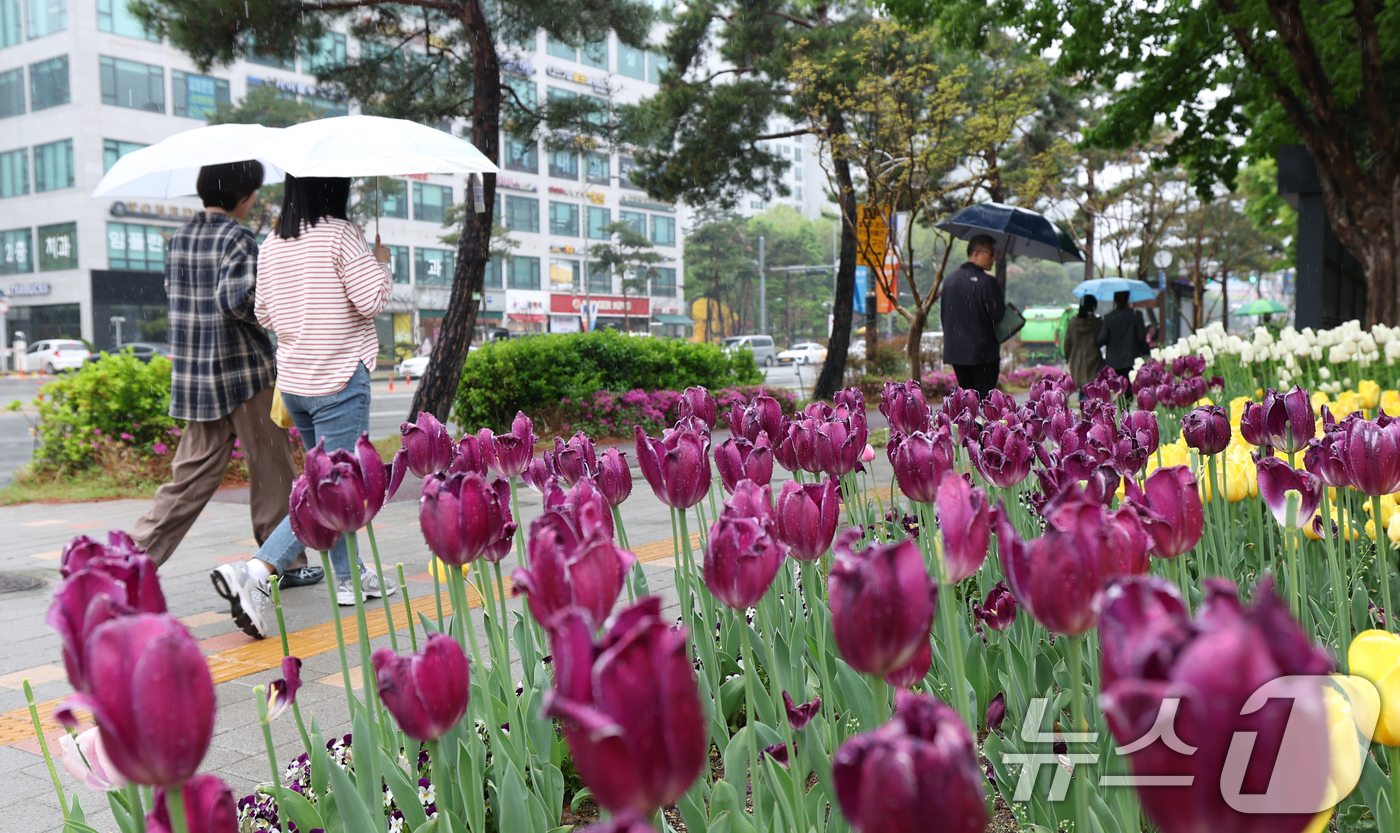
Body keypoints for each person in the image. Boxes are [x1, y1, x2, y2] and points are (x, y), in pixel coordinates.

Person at [211, 174, 397, 639]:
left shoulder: (273, 241)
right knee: (329, 492)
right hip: (338, 379)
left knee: (329, 484)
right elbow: (371, 299)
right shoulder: (342, 233)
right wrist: (380, 263)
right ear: (334, 187)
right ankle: (255, 571)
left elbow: (265, 314)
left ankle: (349, 578)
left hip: (295, 383)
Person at [130, 161, 321, 587]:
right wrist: (273, 296)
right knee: (272, 470)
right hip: (244, 373)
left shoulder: (180, 238)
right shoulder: (238, 237)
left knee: (190, 478)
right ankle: (285, 563)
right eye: (252, 192)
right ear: (243, 196)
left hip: (197, 377)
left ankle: (133, 557)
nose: (253, 200)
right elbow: (236, 300)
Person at [940, 234, 1006, 398]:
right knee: (985, 402)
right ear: (976, 253)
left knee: (967, 401)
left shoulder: (950, 280)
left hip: (957, 353)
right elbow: (997, 315)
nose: (993, 258)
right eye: (991, 253)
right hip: (983, 355)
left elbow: (945, 316)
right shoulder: (987, 282)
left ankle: (968, 424)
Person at [1097, 290, 1150, 380]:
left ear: (1115, 299)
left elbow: (1102, 339)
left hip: (1113, 364)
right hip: (1132, 362)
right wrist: (1146, 351)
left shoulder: (1109, 317)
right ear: (1128, 297)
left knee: (1116, 391)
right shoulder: (1136, 315)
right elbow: (1141, 337)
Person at [1062, 295, 1105, 400]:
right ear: (1094, 306)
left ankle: (1083, 411)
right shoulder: (1098, 322)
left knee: (1082, 388)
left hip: (1077, 361)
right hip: (1094, 359)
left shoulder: (1073, 322)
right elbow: (1102, 340)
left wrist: (1068, 358)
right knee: (1092, 390)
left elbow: (1067, 343)